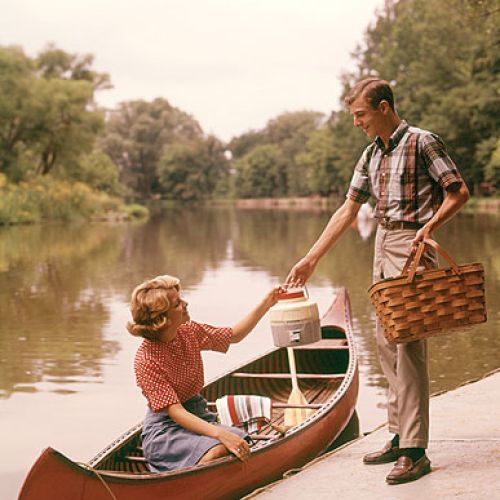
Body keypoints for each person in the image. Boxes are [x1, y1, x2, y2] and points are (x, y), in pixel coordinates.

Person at [286, 78, 469, 485]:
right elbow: (347, 211)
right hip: (382, 243)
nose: (357, 123)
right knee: (386, 343)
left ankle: (415, 451)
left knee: (409, 346)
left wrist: (430, 225)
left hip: (413, 243)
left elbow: (458, 192)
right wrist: (311, 258)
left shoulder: (423, 142)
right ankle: (398, 433)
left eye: (361, 115)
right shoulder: (370, 154)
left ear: (384, 108)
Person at [127, 274, 282, 472]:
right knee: (219, 449)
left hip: (199, 417)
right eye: (177, 304)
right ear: (162, 319)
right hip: (167, 431)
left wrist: (267, 302)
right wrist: (220, 434)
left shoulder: (188, 331)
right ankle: (181, 481)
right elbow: (176, 412)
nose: (185, 303)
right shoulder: (146, 359)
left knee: (241, 442)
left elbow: (234, 335)